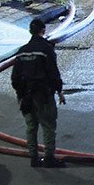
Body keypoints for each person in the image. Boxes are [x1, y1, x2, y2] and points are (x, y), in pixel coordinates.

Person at [11, 19, 66, 167]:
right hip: (43, 95)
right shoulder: (46, 49)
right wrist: (59, 91)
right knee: (48, 125)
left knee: (31, 127)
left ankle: (34, 158)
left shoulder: (21, 51)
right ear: (44, 30)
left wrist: (19, 94)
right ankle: (49, 158)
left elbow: (15, 77)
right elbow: (53, 73)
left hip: (26, 95)